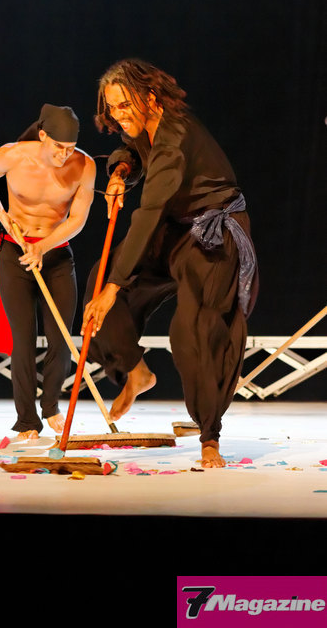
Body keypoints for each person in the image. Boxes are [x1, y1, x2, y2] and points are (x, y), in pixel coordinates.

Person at [81, 59, 258, 467]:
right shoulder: (147, 126)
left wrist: (114, 290)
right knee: (101, 279)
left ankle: (209, 435)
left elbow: (149, 212)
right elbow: (133, 148)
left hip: (213, 232)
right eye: (112, 108)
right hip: (176, 227)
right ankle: (136, 371)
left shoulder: (175, 138)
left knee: (194, 327)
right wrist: (121, 170)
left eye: (125, 105)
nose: (118, 116)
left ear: (150, 98)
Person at [0, 104, 96, 439]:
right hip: (15, 251)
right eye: (58, 147)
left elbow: (78, 219)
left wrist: (43, 247)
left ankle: (51, 405)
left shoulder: (84, 166)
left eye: (70, 148)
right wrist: (2, 215)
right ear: (43, 136)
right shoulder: (14, 155)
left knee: (61, 337)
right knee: (23, 340)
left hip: (56, 254)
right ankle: (27, 421)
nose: (64, 155)